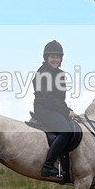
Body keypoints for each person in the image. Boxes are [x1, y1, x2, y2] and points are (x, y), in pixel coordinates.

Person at [34, 40, 76, 178]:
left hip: (55, 108)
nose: (55, 60)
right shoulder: (42, 73)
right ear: (46, 58)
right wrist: (66, 112)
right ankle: (48, 166)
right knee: (66, 132)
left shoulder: (61, 74)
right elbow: (50, 100)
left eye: (57, 57)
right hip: (44, 108)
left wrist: (68, 110)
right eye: (52, 57)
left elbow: (60, 100)